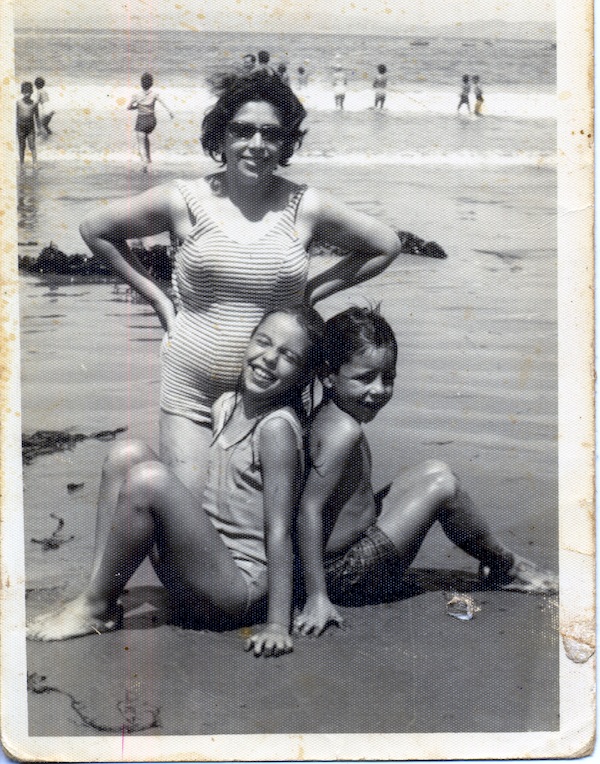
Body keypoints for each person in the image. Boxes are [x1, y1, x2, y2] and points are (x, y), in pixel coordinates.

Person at [79, 70, 438, 513]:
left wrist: (310, 292)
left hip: (273, 395)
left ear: (286, 143)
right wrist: (158, 300)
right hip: (191, 387)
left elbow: (386, 245)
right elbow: (96, 231)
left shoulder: (304, 206)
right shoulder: (183, 199)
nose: (256, 143)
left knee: (256, 529)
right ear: (220, 135)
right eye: (242, 130)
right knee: (186, 516)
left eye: (271, 133)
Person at [27, 306, 325, 656]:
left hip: (235, 593)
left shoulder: (276, 428)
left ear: (305, 375)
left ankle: (95, 606)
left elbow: (280, 530)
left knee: (149, 479)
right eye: (263, 342)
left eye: (288, 356)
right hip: (203, 570)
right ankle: (99, 597)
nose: (268, 358)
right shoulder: (226, 405)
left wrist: (277, 623)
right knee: (127, 454)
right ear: (249, 342)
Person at [294, 307, 559, 636]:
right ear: (328, 374)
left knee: (433, 470)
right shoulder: (342, 431)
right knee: (443, 486)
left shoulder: (332, 415)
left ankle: (502, 563)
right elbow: (309, 510)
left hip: (341, 558)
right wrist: (318, 596)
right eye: (364, 378)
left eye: (387, 378)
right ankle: (507, 567)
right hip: (345, 577)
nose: (378, 390)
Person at [127, 72, 173, 172]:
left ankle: (144, 165)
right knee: (145, 137)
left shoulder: (136, 95)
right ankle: (148, 158)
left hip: (142, 120)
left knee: (140, 143)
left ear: (141, 83)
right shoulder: (154, 94)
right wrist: (170, 112)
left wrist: (137, 107)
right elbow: (164, 104)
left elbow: (128, 107)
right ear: (151, 83)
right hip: (152, 121)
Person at [16, 81, 40, 168]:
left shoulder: (34, 104)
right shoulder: (18, 103)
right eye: (25, 92)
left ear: (32, 92)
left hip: (30, 128)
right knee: (22, 146)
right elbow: (15, 116)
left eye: (29, 92)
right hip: (20, 128)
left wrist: (39, 128)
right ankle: (22, 163)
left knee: (32, 145)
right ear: (22, 92)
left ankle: (35, 163)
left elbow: (37, 117)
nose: (27, 94)